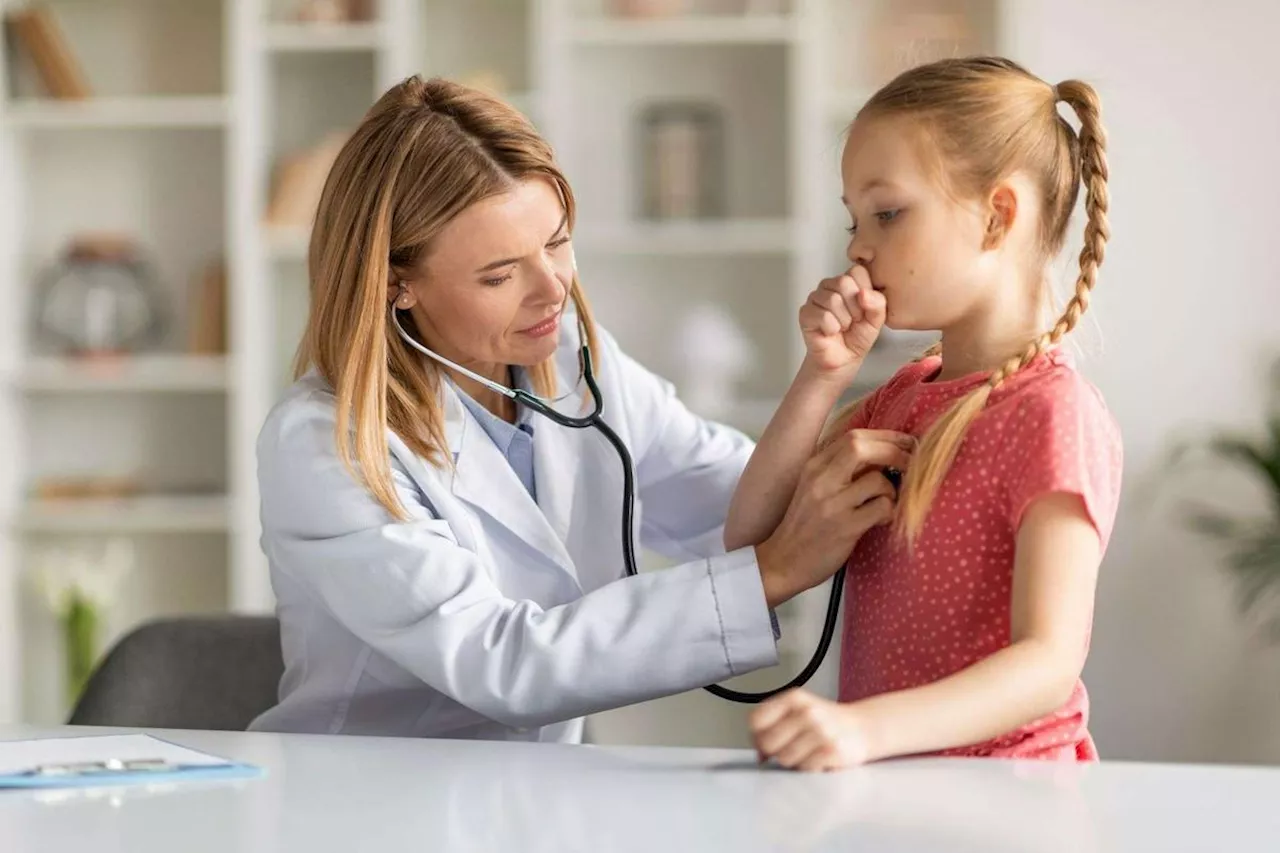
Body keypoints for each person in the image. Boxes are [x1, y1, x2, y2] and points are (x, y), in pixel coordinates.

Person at [248, 75, 911, 742]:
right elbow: (502, 660)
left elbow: (743, 502)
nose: (552, 290)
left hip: (531, 792)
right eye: (500, 274)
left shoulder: (580, 368)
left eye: (557, 242)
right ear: (397, 284)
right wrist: (771, 574)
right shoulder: (325, 443)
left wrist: (824, 377)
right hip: (366, 799)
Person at [736, 57, 1123, 770]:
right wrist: (823, 375)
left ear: (997, 216)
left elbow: (1048, 661)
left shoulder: (1051, 413)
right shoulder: (902, 396)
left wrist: (865, 729)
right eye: (855, 220)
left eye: (887, 213)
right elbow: (751, 536)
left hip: (1010, 798)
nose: (857, 246)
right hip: (900, 790)